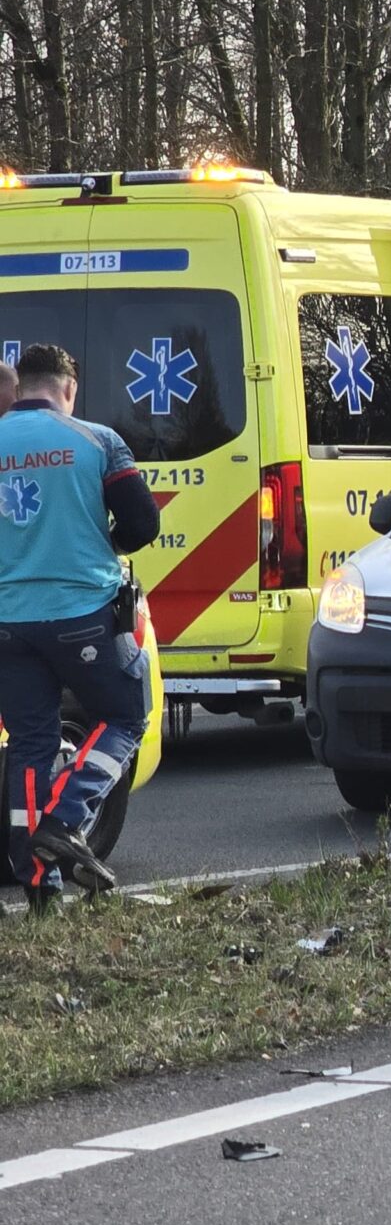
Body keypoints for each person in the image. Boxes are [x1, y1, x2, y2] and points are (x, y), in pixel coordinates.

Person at [0, 344, 160, 902]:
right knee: (126, 712)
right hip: (81, 615)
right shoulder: (97, 440)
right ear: (69, 388)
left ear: (21, 387)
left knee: (29, 746)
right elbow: (143, 522)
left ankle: (39, 886)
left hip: (7, 623)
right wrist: (104, 543)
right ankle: (67, 818)